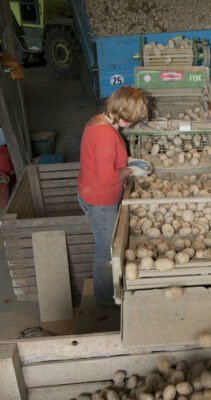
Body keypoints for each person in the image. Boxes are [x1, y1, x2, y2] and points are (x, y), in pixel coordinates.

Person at [78, 86, 148, 307]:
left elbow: (103, 160)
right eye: (132, 120)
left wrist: (127, 161)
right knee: (106, 251)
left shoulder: (99, 119)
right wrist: (130, 171)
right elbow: (107, 178)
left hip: (89, 190)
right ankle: (104, 299)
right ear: (122, 114)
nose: (133, 124)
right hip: (100, 200)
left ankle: (105, 294)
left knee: (107, 247)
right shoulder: (106, 134)